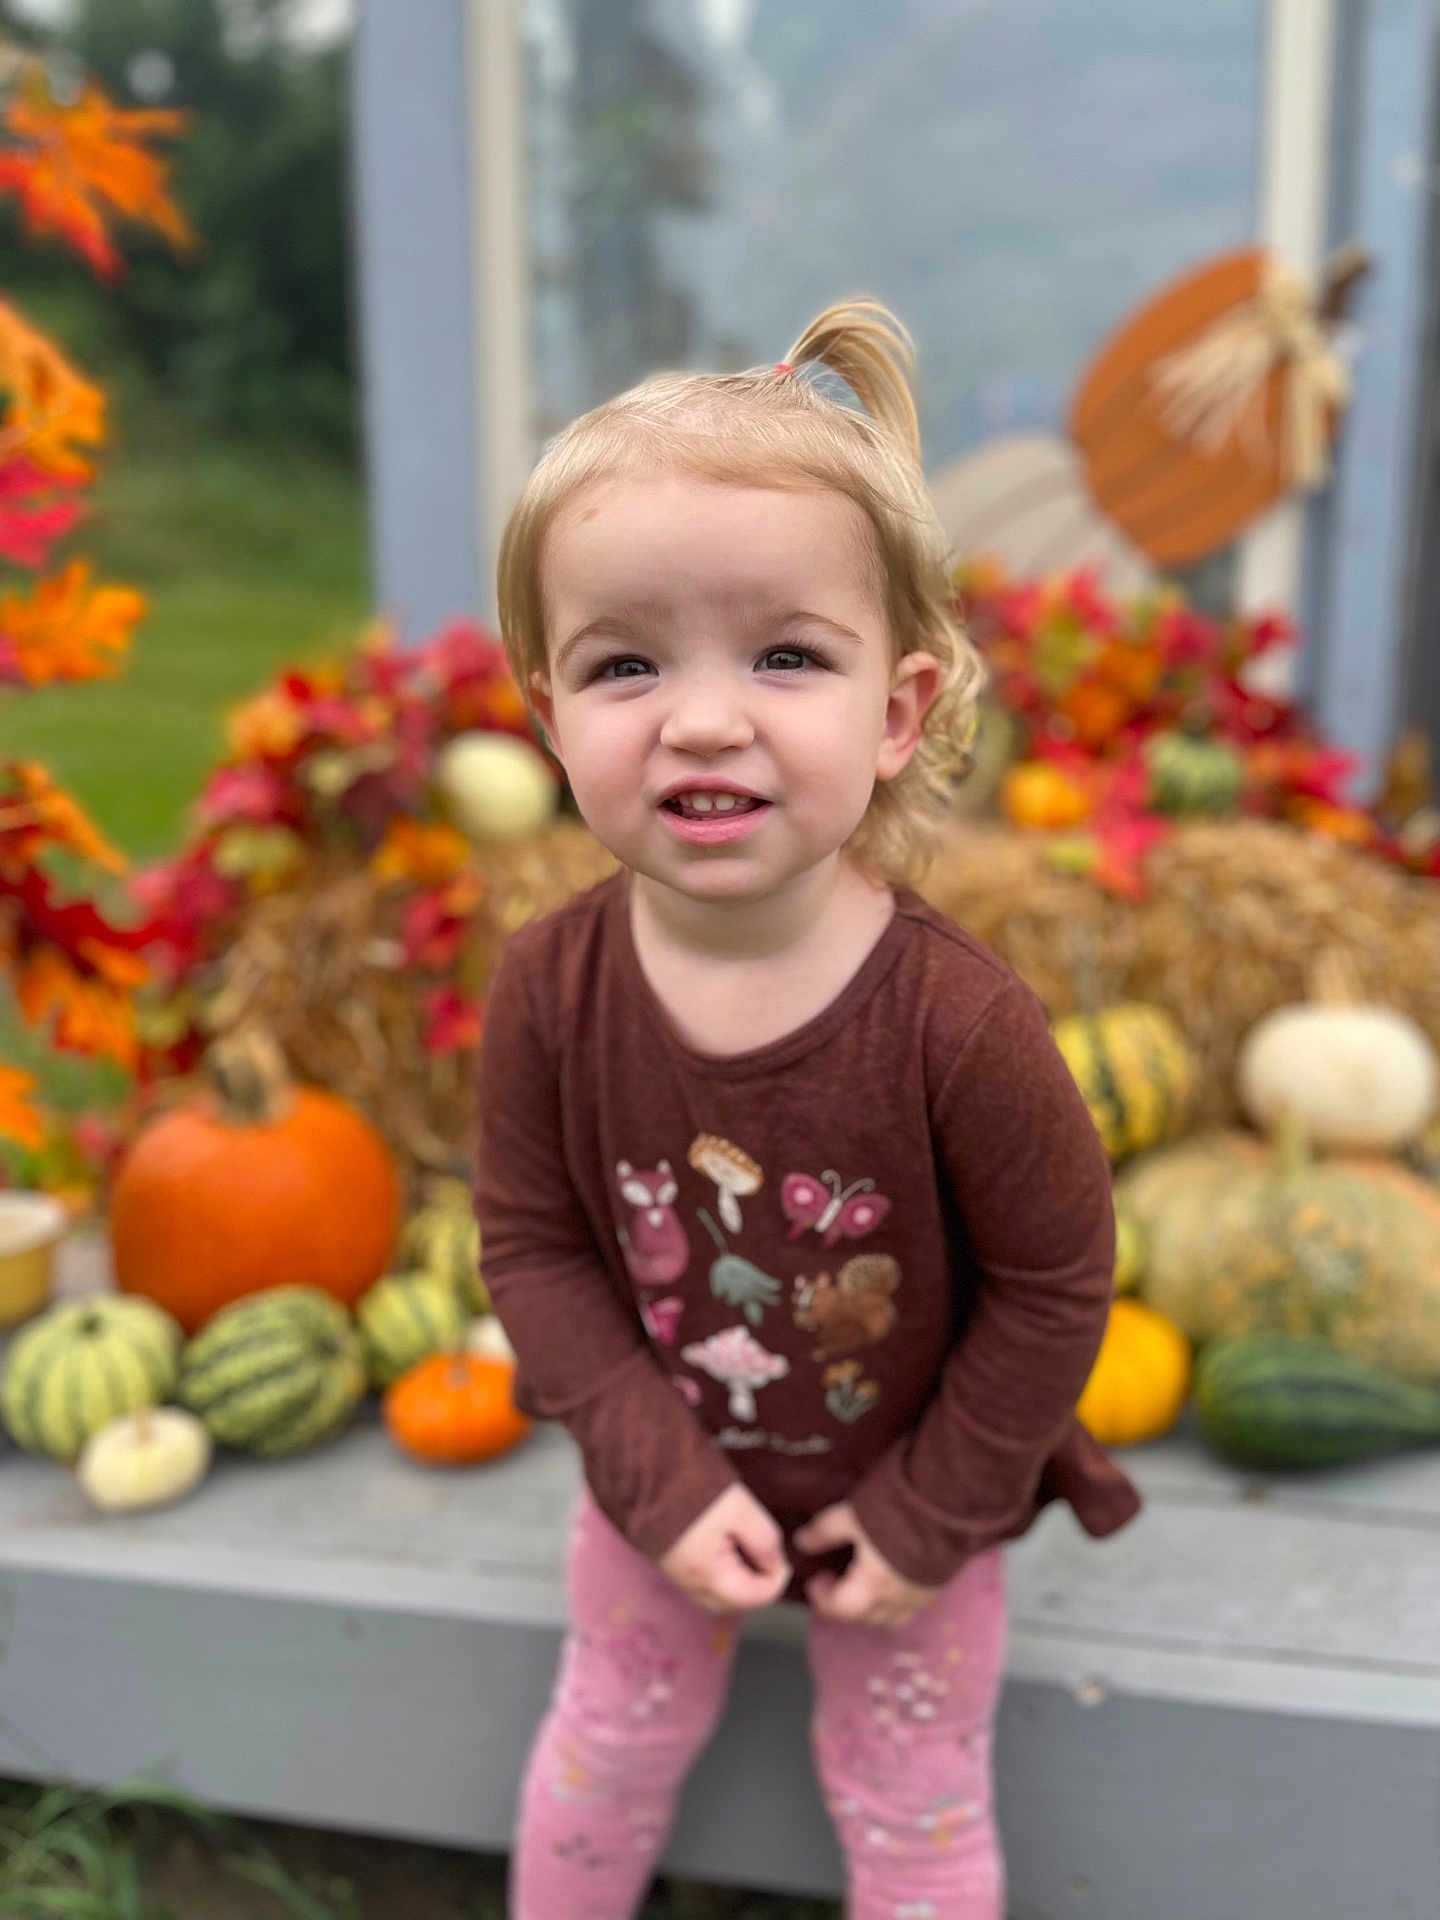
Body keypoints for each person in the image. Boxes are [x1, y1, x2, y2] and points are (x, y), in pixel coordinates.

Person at [474, 299, 1142, 1920]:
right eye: (626, 663)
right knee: (607, 1743)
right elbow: (538, 1252)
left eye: (785, 655)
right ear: (553, 716)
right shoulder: (552, 994)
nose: (704, 717)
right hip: (662, 1487)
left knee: (911, 1802)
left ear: (899, 710)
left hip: (918, 1492)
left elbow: (1055, 1287)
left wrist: (924, 1518)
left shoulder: (957, 1028)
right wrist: (661, 1481)